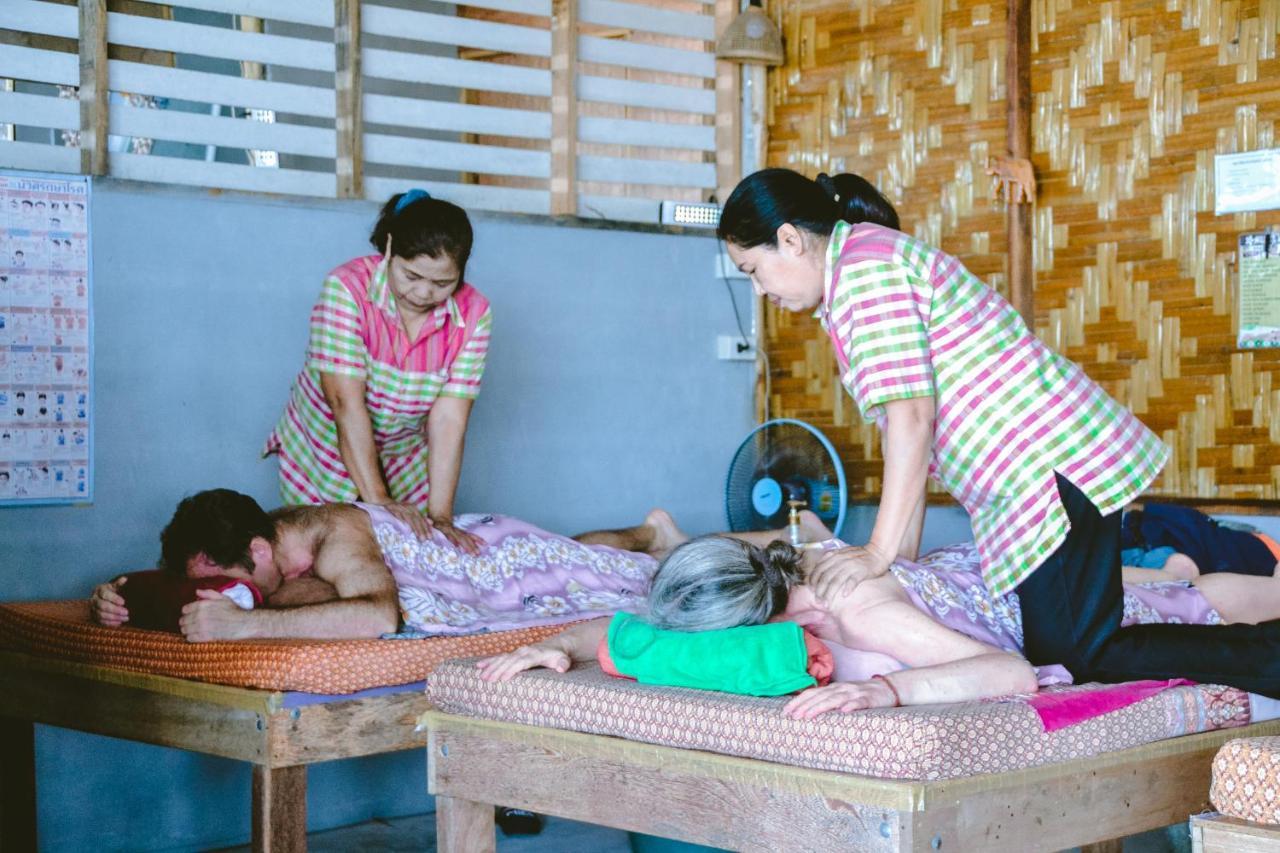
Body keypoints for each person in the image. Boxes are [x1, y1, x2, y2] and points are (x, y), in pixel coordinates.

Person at [715, 167, 1280, 697]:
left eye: (752, 270)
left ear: (789, 240)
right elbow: (902, 432)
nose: (760, 290)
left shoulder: (864, 272)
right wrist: (899, 558)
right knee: (1073, 645)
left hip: (1047, 467)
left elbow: (913, 418)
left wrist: (877, 553)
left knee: (1082, 651)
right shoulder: (858, 272)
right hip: (1036, 474)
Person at [481, 522, 1280, 718]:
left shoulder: (853, 604)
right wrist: (551, 644)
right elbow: (621, 627)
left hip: (1041, 602)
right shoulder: (759, 587)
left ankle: (1182, 563)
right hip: (974, 570)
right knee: (1177, 572)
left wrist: (886, 693)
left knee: (1201, 593)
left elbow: (1005, 674)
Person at [89, 489, 681, 643]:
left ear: (261, 552)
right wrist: (116, 596)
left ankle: (661, 538)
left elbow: (378, 615)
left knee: (615, 572)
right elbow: (180, 581)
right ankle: (649, 529)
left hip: (492, 563)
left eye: (229, 583)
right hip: (482, 538)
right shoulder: (251, 536)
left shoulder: (334, 538)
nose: (224, 594)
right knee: (580, 551)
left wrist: (246, 625)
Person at [264, 190, 491, 554]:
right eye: (411, 275)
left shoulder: (474, 314)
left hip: (403, 458)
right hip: (325, 451)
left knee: (410, 553)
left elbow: (449, 420)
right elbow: (344, 403)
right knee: (326, 555)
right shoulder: (347, 288)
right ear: (388, 249)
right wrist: (379, 502)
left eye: (442, 283)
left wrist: (441, 516)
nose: (423, 292)